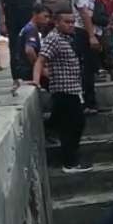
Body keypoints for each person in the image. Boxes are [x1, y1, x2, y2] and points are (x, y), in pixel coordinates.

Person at [31, 12, 91, 173]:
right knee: (71, 126)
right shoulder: (54, 39)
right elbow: (40, 60)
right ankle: (70, 163)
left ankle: (70, 157)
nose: (71, 25)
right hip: (63, 90)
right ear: (57, 23)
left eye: (72, 22)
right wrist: (36, 80)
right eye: (67, 22)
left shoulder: (68, 38)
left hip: (74, 88)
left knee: (76, 124)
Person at [15, 3, 50, 83]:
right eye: (45, 16)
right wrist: (39, 68)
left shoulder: (28, 28)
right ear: (35, 14)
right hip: (27, 69)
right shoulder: (31, 29)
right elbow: (29, 51)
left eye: (49, 17)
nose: (47, 20)